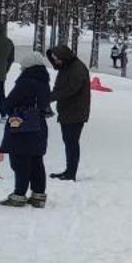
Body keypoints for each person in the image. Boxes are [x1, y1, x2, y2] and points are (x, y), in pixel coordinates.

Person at [0, 52, 53, 207]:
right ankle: (38, 195)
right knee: (36, 161)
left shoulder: (26, 82)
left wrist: (9, 109)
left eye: (23, 67)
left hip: (22, 127)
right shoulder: (44, 82)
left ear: (28, 67)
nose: (21, 70)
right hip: (39, 126)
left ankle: (19, 195)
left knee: (20, 161)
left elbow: (9, 103)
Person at [44, 44, 90, 181]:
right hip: (68, 110)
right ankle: (69, 170)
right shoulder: (66, 67)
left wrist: (49, 97)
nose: (55, 62)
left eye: (57, 59)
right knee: (68, 141)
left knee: (71, 142)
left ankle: (71, 173)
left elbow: (70, 89)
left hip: (76, 111)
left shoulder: (77, 69)